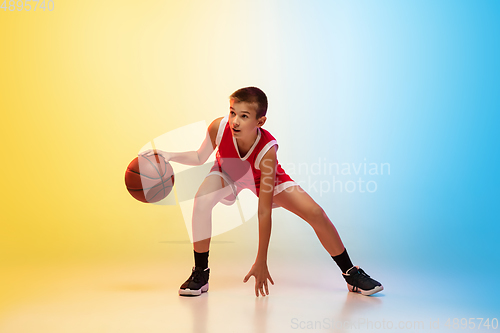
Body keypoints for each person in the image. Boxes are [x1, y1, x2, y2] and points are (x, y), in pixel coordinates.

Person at [139, 87, 383, 297]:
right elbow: (199, 156)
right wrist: (168, 155)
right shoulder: (218, 127)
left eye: (244, 116)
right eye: (233, 112)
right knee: (201, 201)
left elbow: (264, 211)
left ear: (260, 121)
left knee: (316, 213)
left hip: (263, 180)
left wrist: (261, 259)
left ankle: (351, 273)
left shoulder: (267, 152)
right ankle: (200, 273)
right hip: (228, 173)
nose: (235, 121)